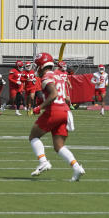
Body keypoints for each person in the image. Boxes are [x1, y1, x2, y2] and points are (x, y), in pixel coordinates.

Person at [27, 52, 85, 181]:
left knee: (33, 136)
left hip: (54, 111)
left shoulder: (46, 76)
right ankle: (76, 167)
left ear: (41, 66)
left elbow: (53, 94)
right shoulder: (59, 75)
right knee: (59, 146)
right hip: (64, 111)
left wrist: (39, 107)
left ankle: (43, 162)